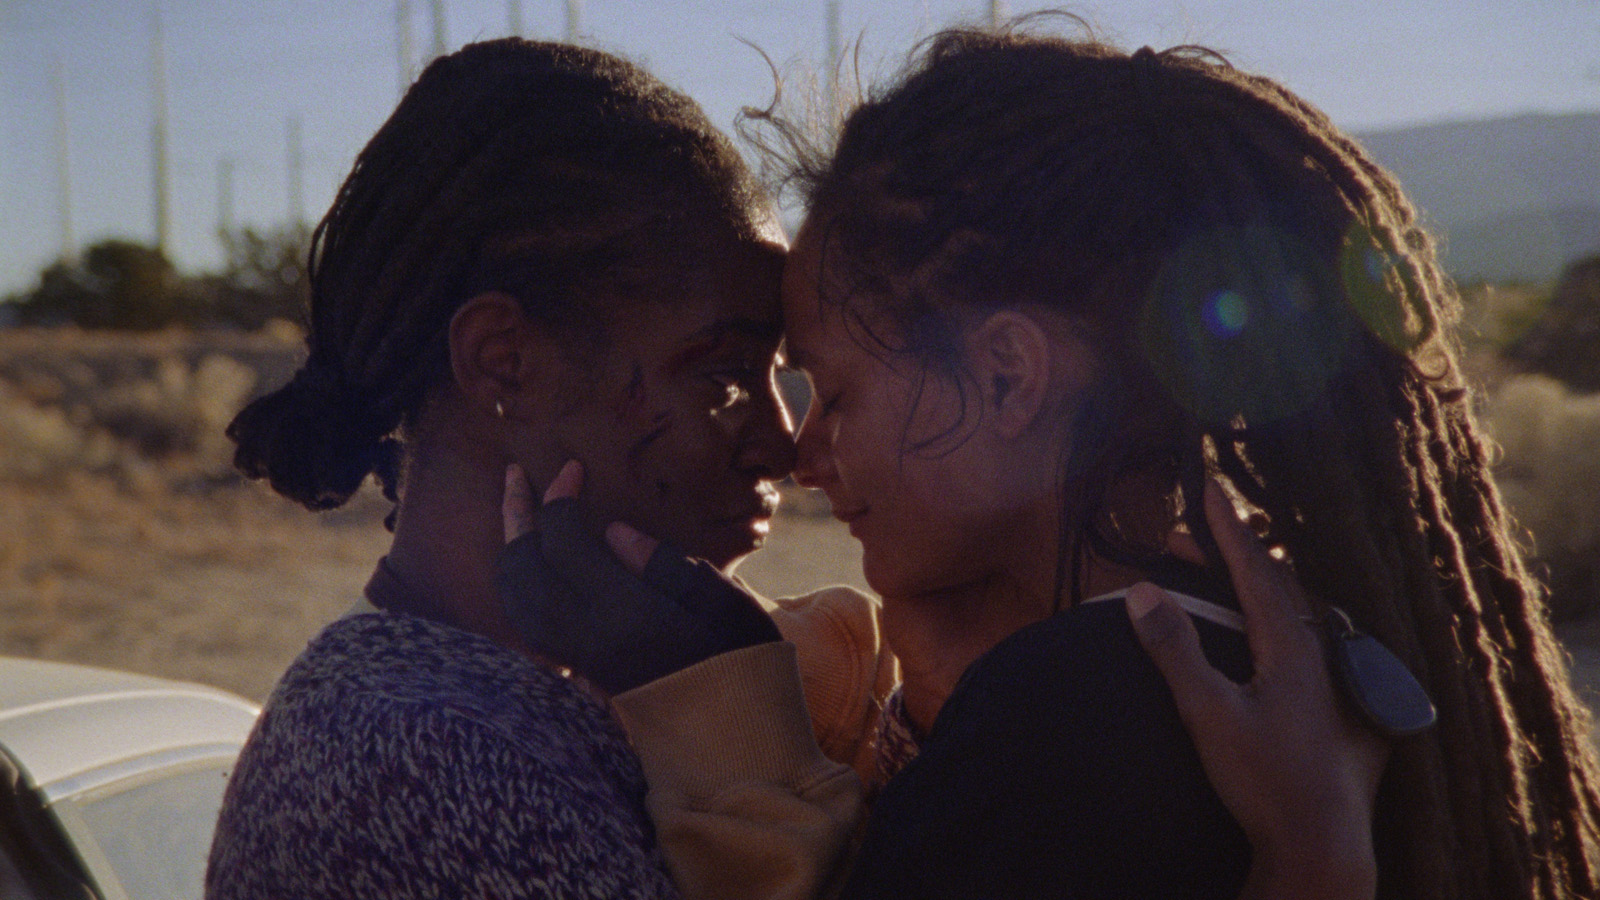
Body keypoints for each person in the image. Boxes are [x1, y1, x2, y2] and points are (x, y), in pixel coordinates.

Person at [208, 32, 1379, 900]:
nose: (782, 441)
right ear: (502, 362)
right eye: (723, 372)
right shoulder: (424, 758)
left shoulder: (589, 698)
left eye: (794, 374)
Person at [506, 21, 1600, 900]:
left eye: (834, 392)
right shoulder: (1274, 660)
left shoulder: (1076, 713)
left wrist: (712, 716)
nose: (803, 452)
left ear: (1005, 377)